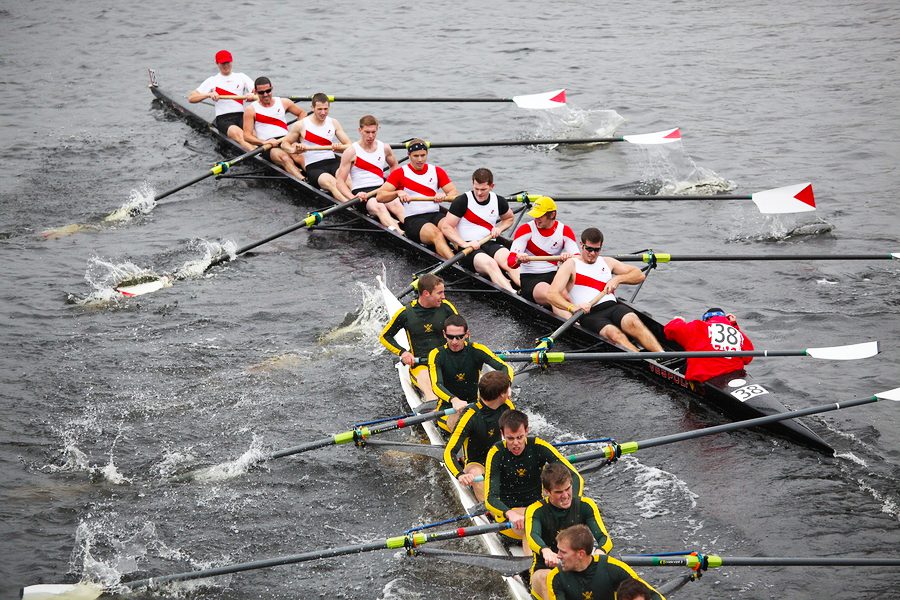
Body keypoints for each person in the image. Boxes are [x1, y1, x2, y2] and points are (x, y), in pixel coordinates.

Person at [547, 228, 664, 352]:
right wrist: (571, 307)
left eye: (597, 250)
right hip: (590, 314)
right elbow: (552, 294)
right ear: (581, 245)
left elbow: (639, 275)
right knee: (614, 334)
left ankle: (661, 355)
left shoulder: (607, 262)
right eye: (589, 249)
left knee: (633, 322)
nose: (592, 253)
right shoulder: (571, 264)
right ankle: (646, 361)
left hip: (613, 307)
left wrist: (618, 279)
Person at [484, 410, 583, 547]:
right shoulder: (496, 453)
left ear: (527, 431)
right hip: (511, 514)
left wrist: (572, 505)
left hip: (537, 506)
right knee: (532, 523)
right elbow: (490, 498)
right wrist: (510, 513)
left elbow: (574, 476)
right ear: (502, 434)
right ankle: (535, 566)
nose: (516, 443)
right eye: (510, 438)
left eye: (520, 437)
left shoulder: (538, 446)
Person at [525, 464, 613, 600]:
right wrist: (545, 551)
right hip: (545, 568)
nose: (565, 496)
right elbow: (532, 536)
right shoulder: (536, 510)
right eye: (559, 492)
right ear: (547, 492)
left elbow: (604, 538)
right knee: (548, 579)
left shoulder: (586, 505)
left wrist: (600, 551)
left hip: (578, 567)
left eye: (568, 489)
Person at [429, 315, 514, 432]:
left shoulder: (477, 350)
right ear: (444, 334)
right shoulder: (436, 355)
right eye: (450, 337)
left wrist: (507, 386)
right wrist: (454, 400)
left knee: (508, 411)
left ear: (467, 334)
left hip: (475, 403)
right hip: (449, 407)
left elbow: (504, 367)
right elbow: (436, 385)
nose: (454, 341)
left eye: (459, 337)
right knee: (463, 426)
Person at [379, 274, 457, 402]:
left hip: (446, 360)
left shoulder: (446, 307)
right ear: (426, 293)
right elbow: (385, 336)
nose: (443, 296)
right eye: (440, 293)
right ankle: (435, 410)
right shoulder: (405, 314)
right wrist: (403, 352)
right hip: (421, 365)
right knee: (432, 392)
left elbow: (462, 332)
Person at [439, 168, 520, 291]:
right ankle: (514, 294)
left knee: (510, 260)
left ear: (492, 186)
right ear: (473, 184)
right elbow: (446, 227)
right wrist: (464, 243)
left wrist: (499, 228)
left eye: (483, 189)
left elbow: (509, 218)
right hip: (468, 248)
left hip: (489, 242)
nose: (479, 193)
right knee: (490, 264)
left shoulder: (498, 201)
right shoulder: (462, 201)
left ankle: (527, 293)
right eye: (476, 189)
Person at [376, 139, 458, 258]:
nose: (420, 159)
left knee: (452, 229)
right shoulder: (400, 173)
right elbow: (380, 196)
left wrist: (444, 196)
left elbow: (454, 193)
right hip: (413, 219)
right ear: (409, 155)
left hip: (435, 214)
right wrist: (397, 193)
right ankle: (455, 263)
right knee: (437, 234)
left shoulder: (436, 171)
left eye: (423, 155)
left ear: (427, 154)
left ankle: (468, 259)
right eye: (416, 156)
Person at [443, 370, 515, 502]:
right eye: (508, 389)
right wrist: (459, 475)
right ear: (502, 394)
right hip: (476, 463)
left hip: (499, 455)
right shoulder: (470, 416)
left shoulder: (507, 407)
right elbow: (449, 452)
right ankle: (493, 512)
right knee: (475, 472)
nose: (511, 392)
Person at [545, 525, 665, 600]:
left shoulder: (612, 568)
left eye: (563, 552)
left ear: (581, 554)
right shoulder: (556, 578)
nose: (558, 556)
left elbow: (651, 595)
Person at [507, 196, 579, 315]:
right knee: (553, 295)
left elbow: (578, 260)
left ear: (552, 215)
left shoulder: (564, 230)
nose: (536, 219)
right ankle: (577, 326)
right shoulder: (525, 230)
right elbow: (510, 262)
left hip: (555, 275)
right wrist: (519, 260)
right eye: (535, 215)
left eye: (540, 215)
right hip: (531, 278)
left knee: (571, 289)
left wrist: (569, 258)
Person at [334, 115, 406, 229]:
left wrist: (394, 186)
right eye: (367, 132)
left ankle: (411, 229)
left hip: (381, 189)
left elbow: (394, 166)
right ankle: (400, 234)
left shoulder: (385, 148)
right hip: (362, 194)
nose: (371, 136)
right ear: (360, 130)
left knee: (396, 204)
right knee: (379, 206)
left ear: (378, 129)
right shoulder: (351, 151)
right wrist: (352, 198)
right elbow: (340, 182)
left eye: (374, 132)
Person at [280, 93, 353, 199]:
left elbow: (349, 146)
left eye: (326, 109)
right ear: (312, 108)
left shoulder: (334, 122)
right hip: (314, 166)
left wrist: (339, 148)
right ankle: (350, 206)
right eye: (319, 109)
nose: (323, 113)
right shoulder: (301, 125)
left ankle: (361, 203)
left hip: (333, 161)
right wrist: (294, 150)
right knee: (332, 184)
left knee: (348, 180)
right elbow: (284, 144)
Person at [663, 308, 754, 382]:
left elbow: (671, 330)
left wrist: (678, 320)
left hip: (706, 376)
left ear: (706, 319)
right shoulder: (737, 333)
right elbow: (748, 358)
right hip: (734, 373)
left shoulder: (699, 326)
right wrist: (733, 326)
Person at [241, 77, 307, 178]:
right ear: (255, 92)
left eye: (268, 91)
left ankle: (315, 179)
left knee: (301, 156)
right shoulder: (250, 110)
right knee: (284, 158)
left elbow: (302, 113)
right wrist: (264, 142)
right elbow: (246, 136)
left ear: (272, 88)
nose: (265, 94)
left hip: (286, 139)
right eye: (261, 92)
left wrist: (296, 132)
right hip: (268, 145)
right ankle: (303, 181)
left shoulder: (284, 102)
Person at [188, 50, 256, 145]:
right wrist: (209, 94)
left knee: (253, 135)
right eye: (222, 63)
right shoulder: (212, 80)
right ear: (217, 63)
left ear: (231, 61)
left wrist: (252, 95)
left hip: (242, 116)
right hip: (223, 119)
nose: (225, 66)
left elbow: (257, 92)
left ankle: (265, 155)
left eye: (227, 62)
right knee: (241, 136)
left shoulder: (241, 77)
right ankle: (256, 157)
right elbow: (191, 98)